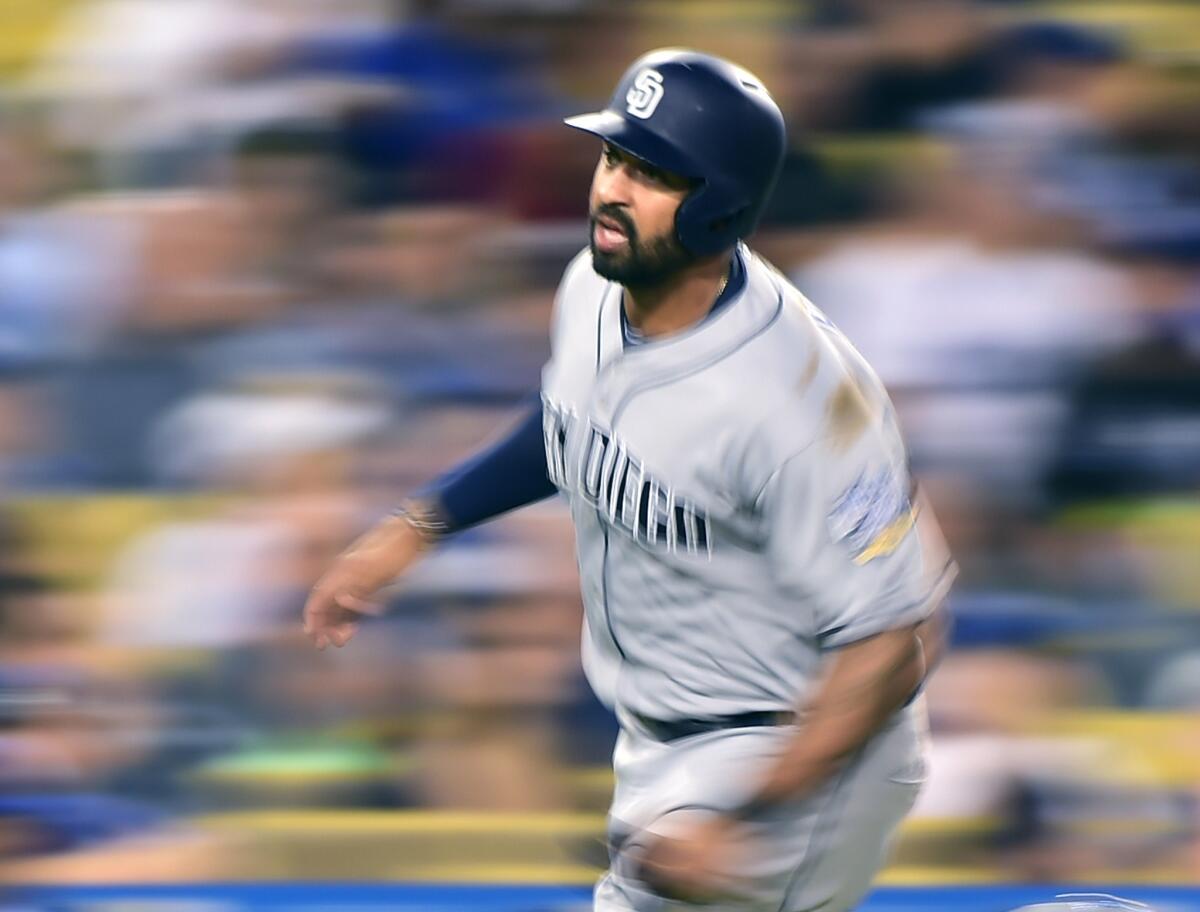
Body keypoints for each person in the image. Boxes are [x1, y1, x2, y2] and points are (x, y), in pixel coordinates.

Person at [304, 48, 955, 911]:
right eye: (615, 156)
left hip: (794, 756)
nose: (612, 187)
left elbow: (898, 638)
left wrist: (749, 817)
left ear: (720, 208)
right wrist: (416, 528)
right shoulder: (594, 286)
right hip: (670, 742)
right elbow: (575, 423)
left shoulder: (802, 405)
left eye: (653, 174)